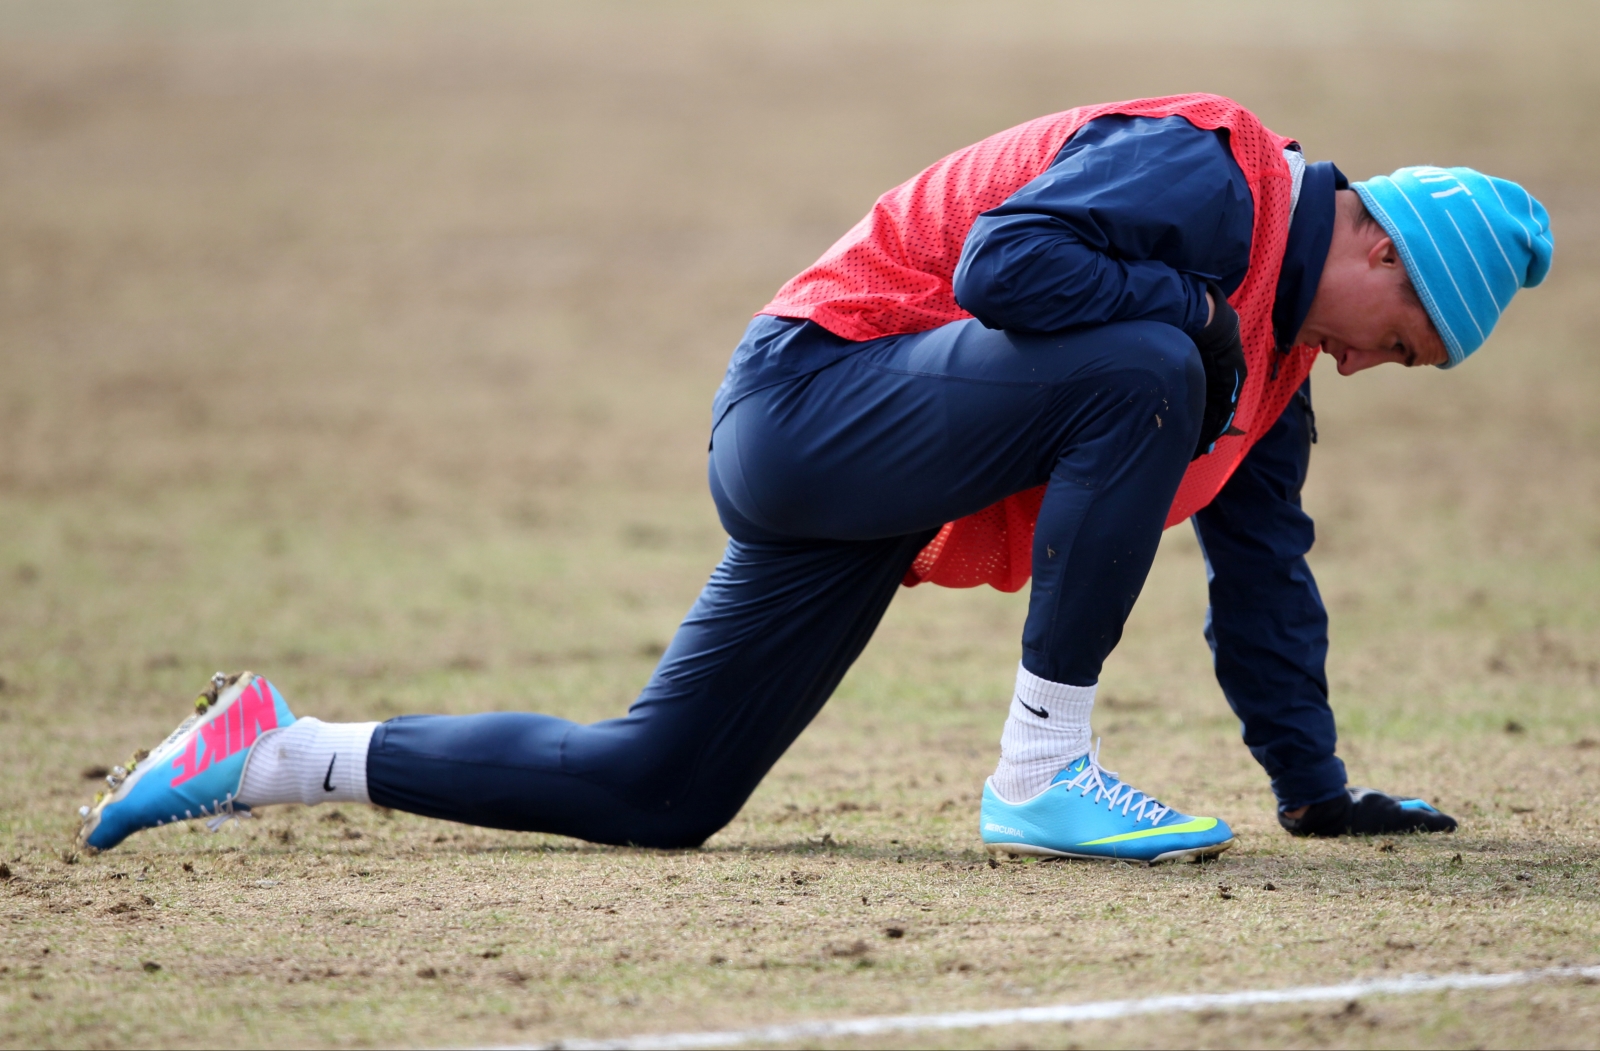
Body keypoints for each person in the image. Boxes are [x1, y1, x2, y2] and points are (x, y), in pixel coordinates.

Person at [78, 94, 1552, 864]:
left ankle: (273, 751)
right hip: (811, 400)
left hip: (874, 477)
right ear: (1375, 251)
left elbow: (1265, 577)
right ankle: (1042, 775)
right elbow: (1005, 263)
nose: (1372, 372)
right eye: (1405, 344)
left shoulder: (1271, 363)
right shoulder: (1213, 176)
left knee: (662, 789)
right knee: (1148, 367)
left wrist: (1319, 791)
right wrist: (1183, 326)